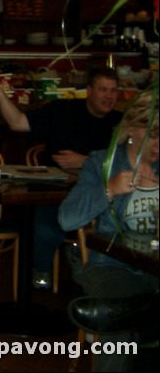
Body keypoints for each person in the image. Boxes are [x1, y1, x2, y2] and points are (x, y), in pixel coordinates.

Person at [0, 64, 122, 289]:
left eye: (113, 91)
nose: (109, 96)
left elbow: (131, 161)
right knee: (46, 228)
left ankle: (98, 275)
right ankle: (42, 269)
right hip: (54, 195)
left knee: (111, 229)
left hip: (101, 197)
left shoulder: (121, 123)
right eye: (103, 90)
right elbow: (17, 122)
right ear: (89, 90)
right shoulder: (62, 111)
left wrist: (85, 161)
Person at [58, 89, 158, 372]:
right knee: (120, 322)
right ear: (129, 130)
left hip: (154, 269)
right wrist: (109, 189)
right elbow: (67, 219)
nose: (158, 145)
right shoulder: (102, 163)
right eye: (152, 134)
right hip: (112, 265)